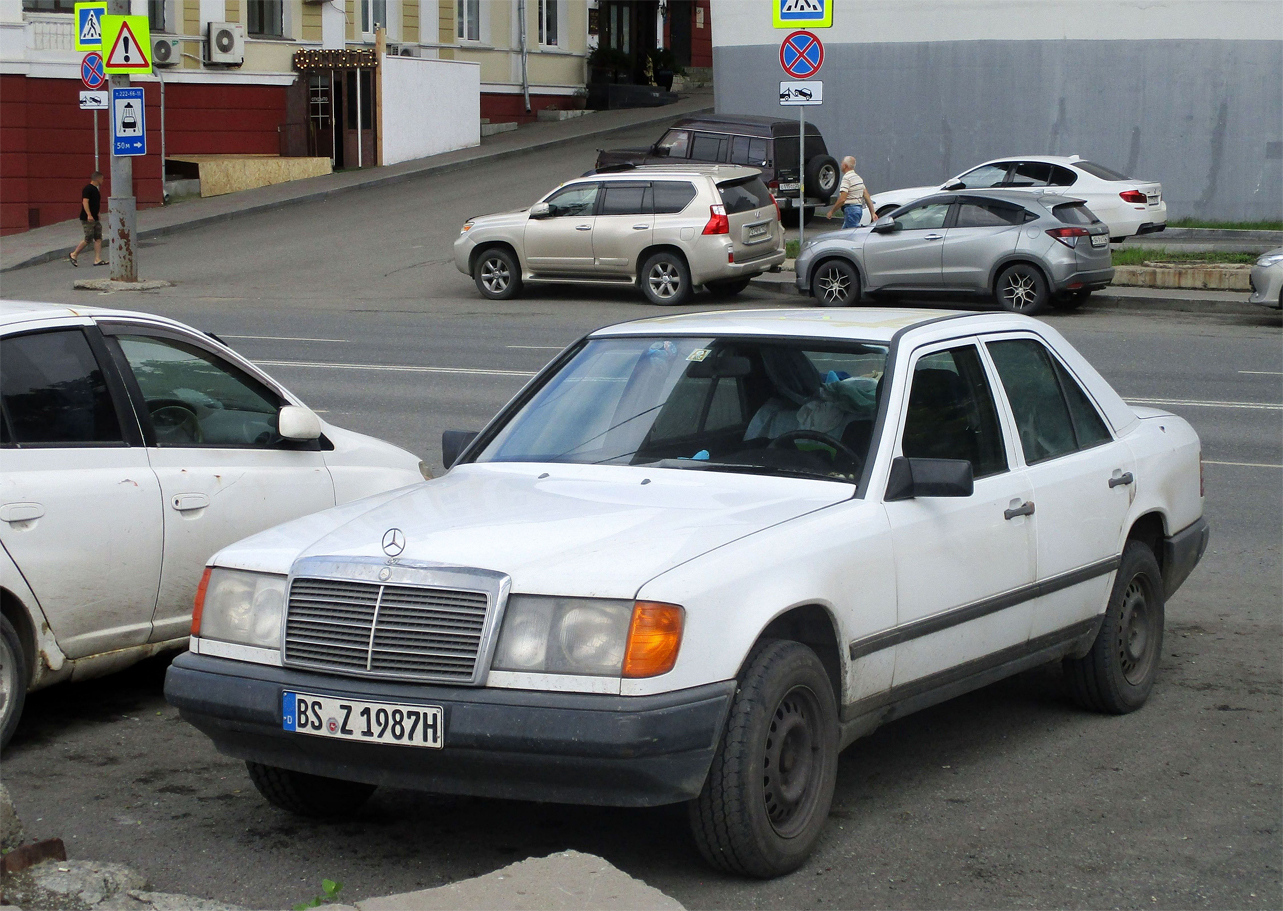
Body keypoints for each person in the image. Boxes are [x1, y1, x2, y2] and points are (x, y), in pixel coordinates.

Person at [826, 157, 875, 229]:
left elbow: (842, 199)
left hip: (850, 210)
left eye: (842, 163)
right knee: (843, 234)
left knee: (852, 235)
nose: (841, 164)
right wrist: (872, 213)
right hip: (858, 210)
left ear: (845, 166)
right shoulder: (858, 178)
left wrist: (831, 211)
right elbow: (866, 196)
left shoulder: (846, 178)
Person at [69, 171, 106, 267]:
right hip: (87, 218)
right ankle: (74, 254)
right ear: (97, 178)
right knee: (88, 238)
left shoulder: (96, 190)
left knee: (98, 238)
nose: (103, 180)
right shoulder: (88, 189)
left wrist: (97, 213)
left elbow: (95, 203)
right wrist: (89, 215)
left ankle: (97, 259)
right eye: (102, 178)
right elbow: (85, 202)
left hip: (95, 218)